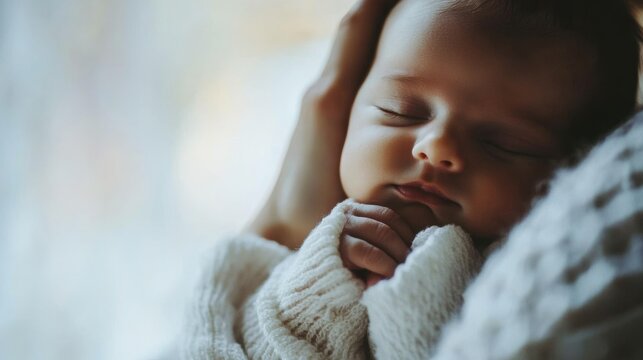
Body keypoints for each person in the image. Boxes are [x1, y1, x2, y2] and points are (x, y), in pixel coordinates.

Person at [180, 0, 641, 358]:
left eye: (503, 144)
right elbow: (217, 338)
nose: (436, 146)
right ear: (349, 107)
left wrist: (420, 292)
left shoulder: (534, 279)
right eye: (400, 110)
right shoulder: (325, 244)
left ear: (576, 169)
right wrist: (315, 281)